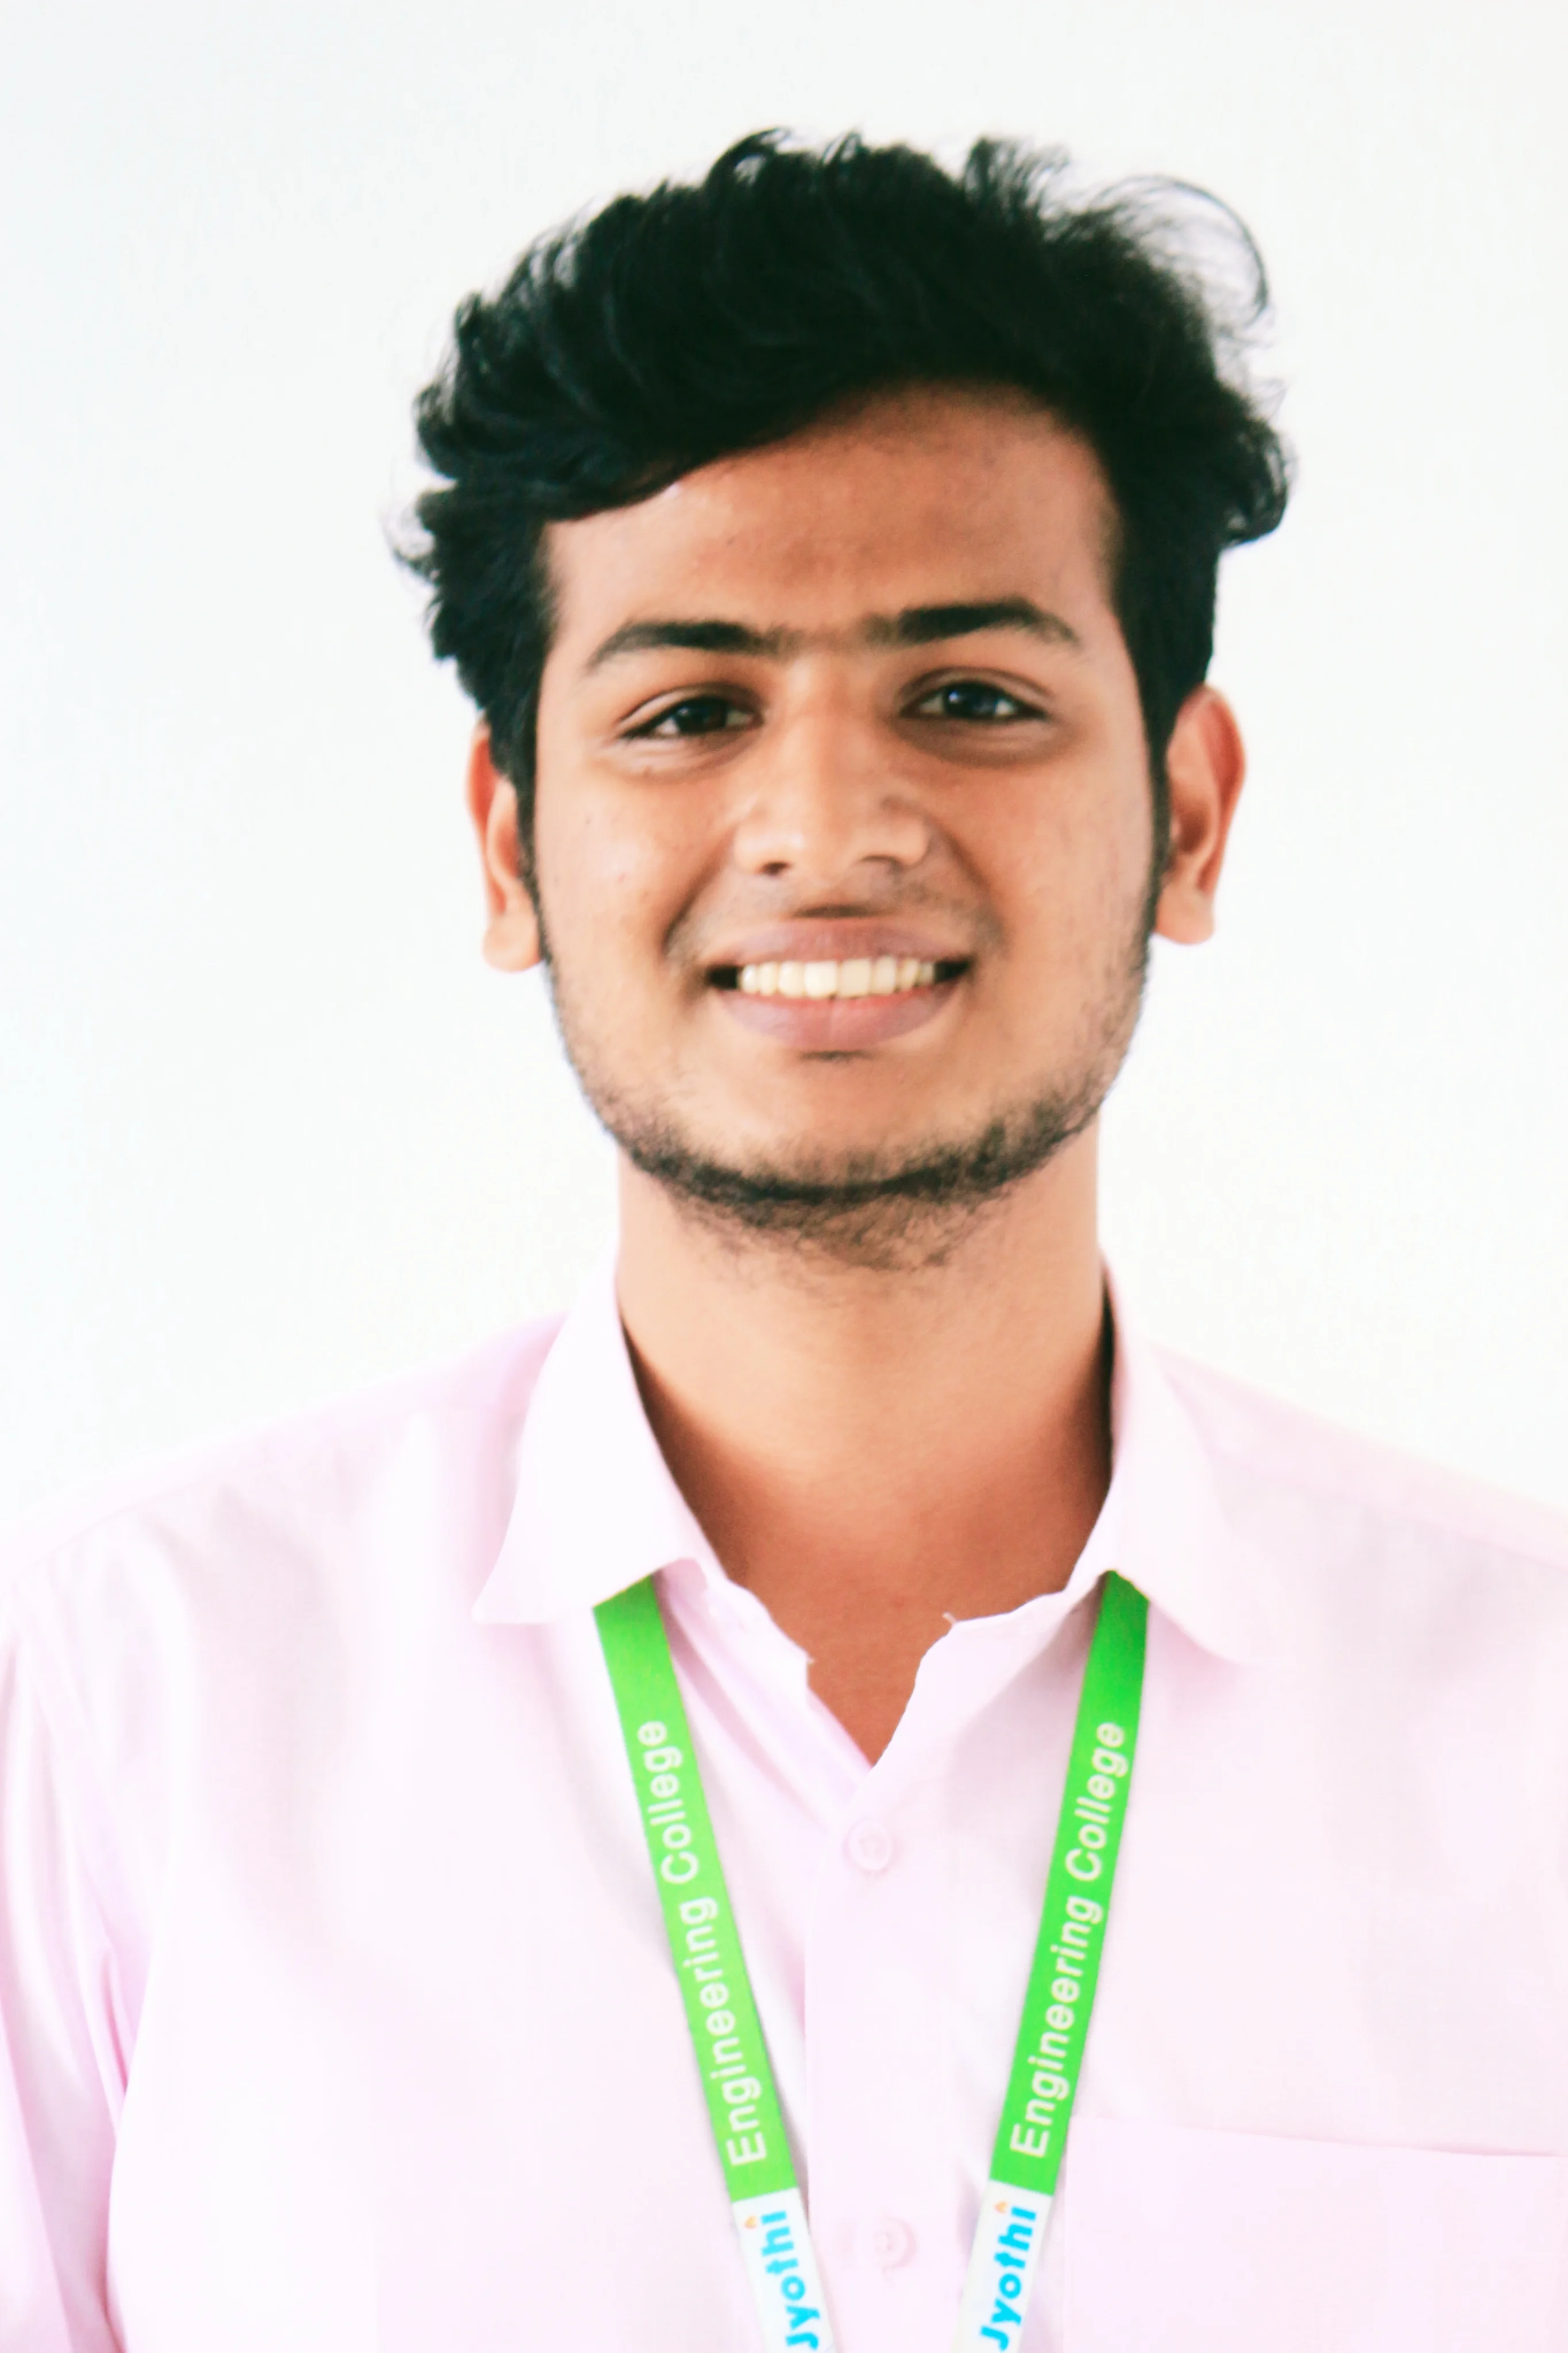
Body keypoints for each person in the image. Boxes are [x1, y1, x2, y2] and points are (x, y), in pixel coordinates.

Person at [2, 130, 1565, 2353]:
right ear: (511, 847)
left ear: (1190, 812)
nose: (828, 830)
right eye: (689, 712)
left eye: (971, 697)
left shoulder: (1531, 1730)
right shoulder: (106, 1707)